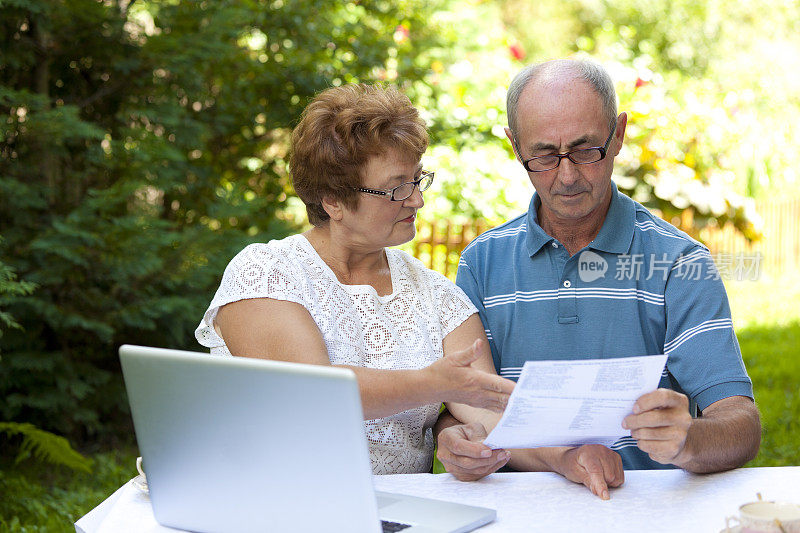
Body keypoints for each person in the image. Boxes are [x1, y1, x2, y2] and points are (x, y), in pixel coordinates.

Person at [435, 59, 761, 499]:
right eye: (545, 155)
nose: (567, 176)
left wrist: (689, 440)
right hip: (518, 511)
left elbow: (740, 423)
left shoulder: (678, 262)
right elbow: (468, 404)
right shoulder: (482, 262)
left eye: (587, 150)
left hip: (642, 511)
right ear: (514, 146)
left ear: (619, 134)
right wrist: (453, 438)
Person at [194, 83, 515, 475]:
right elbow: (313, 393)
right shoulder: (265, 274)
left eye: (418, 179)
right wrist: (433, 384)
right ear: (333, 201)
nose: (417, 200)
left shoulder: (437, 295)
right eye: (397, 187)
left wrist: (562, 457)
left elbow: (491, 412)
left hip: (404, 518)